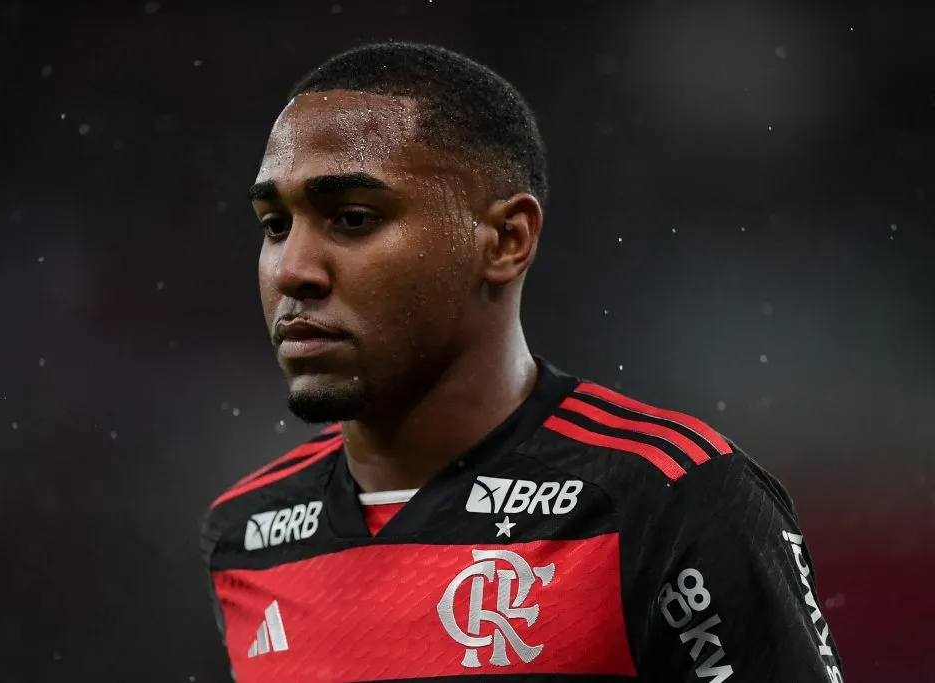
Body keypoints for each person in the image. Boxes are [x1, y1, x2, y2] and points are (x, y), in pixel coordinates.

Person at [200, 41, 843, 682]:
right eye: (275, 225)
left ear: (506, 240)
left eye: (353, 218)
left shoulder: (665, 498)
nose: (293, 270)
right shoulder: (248, 535)